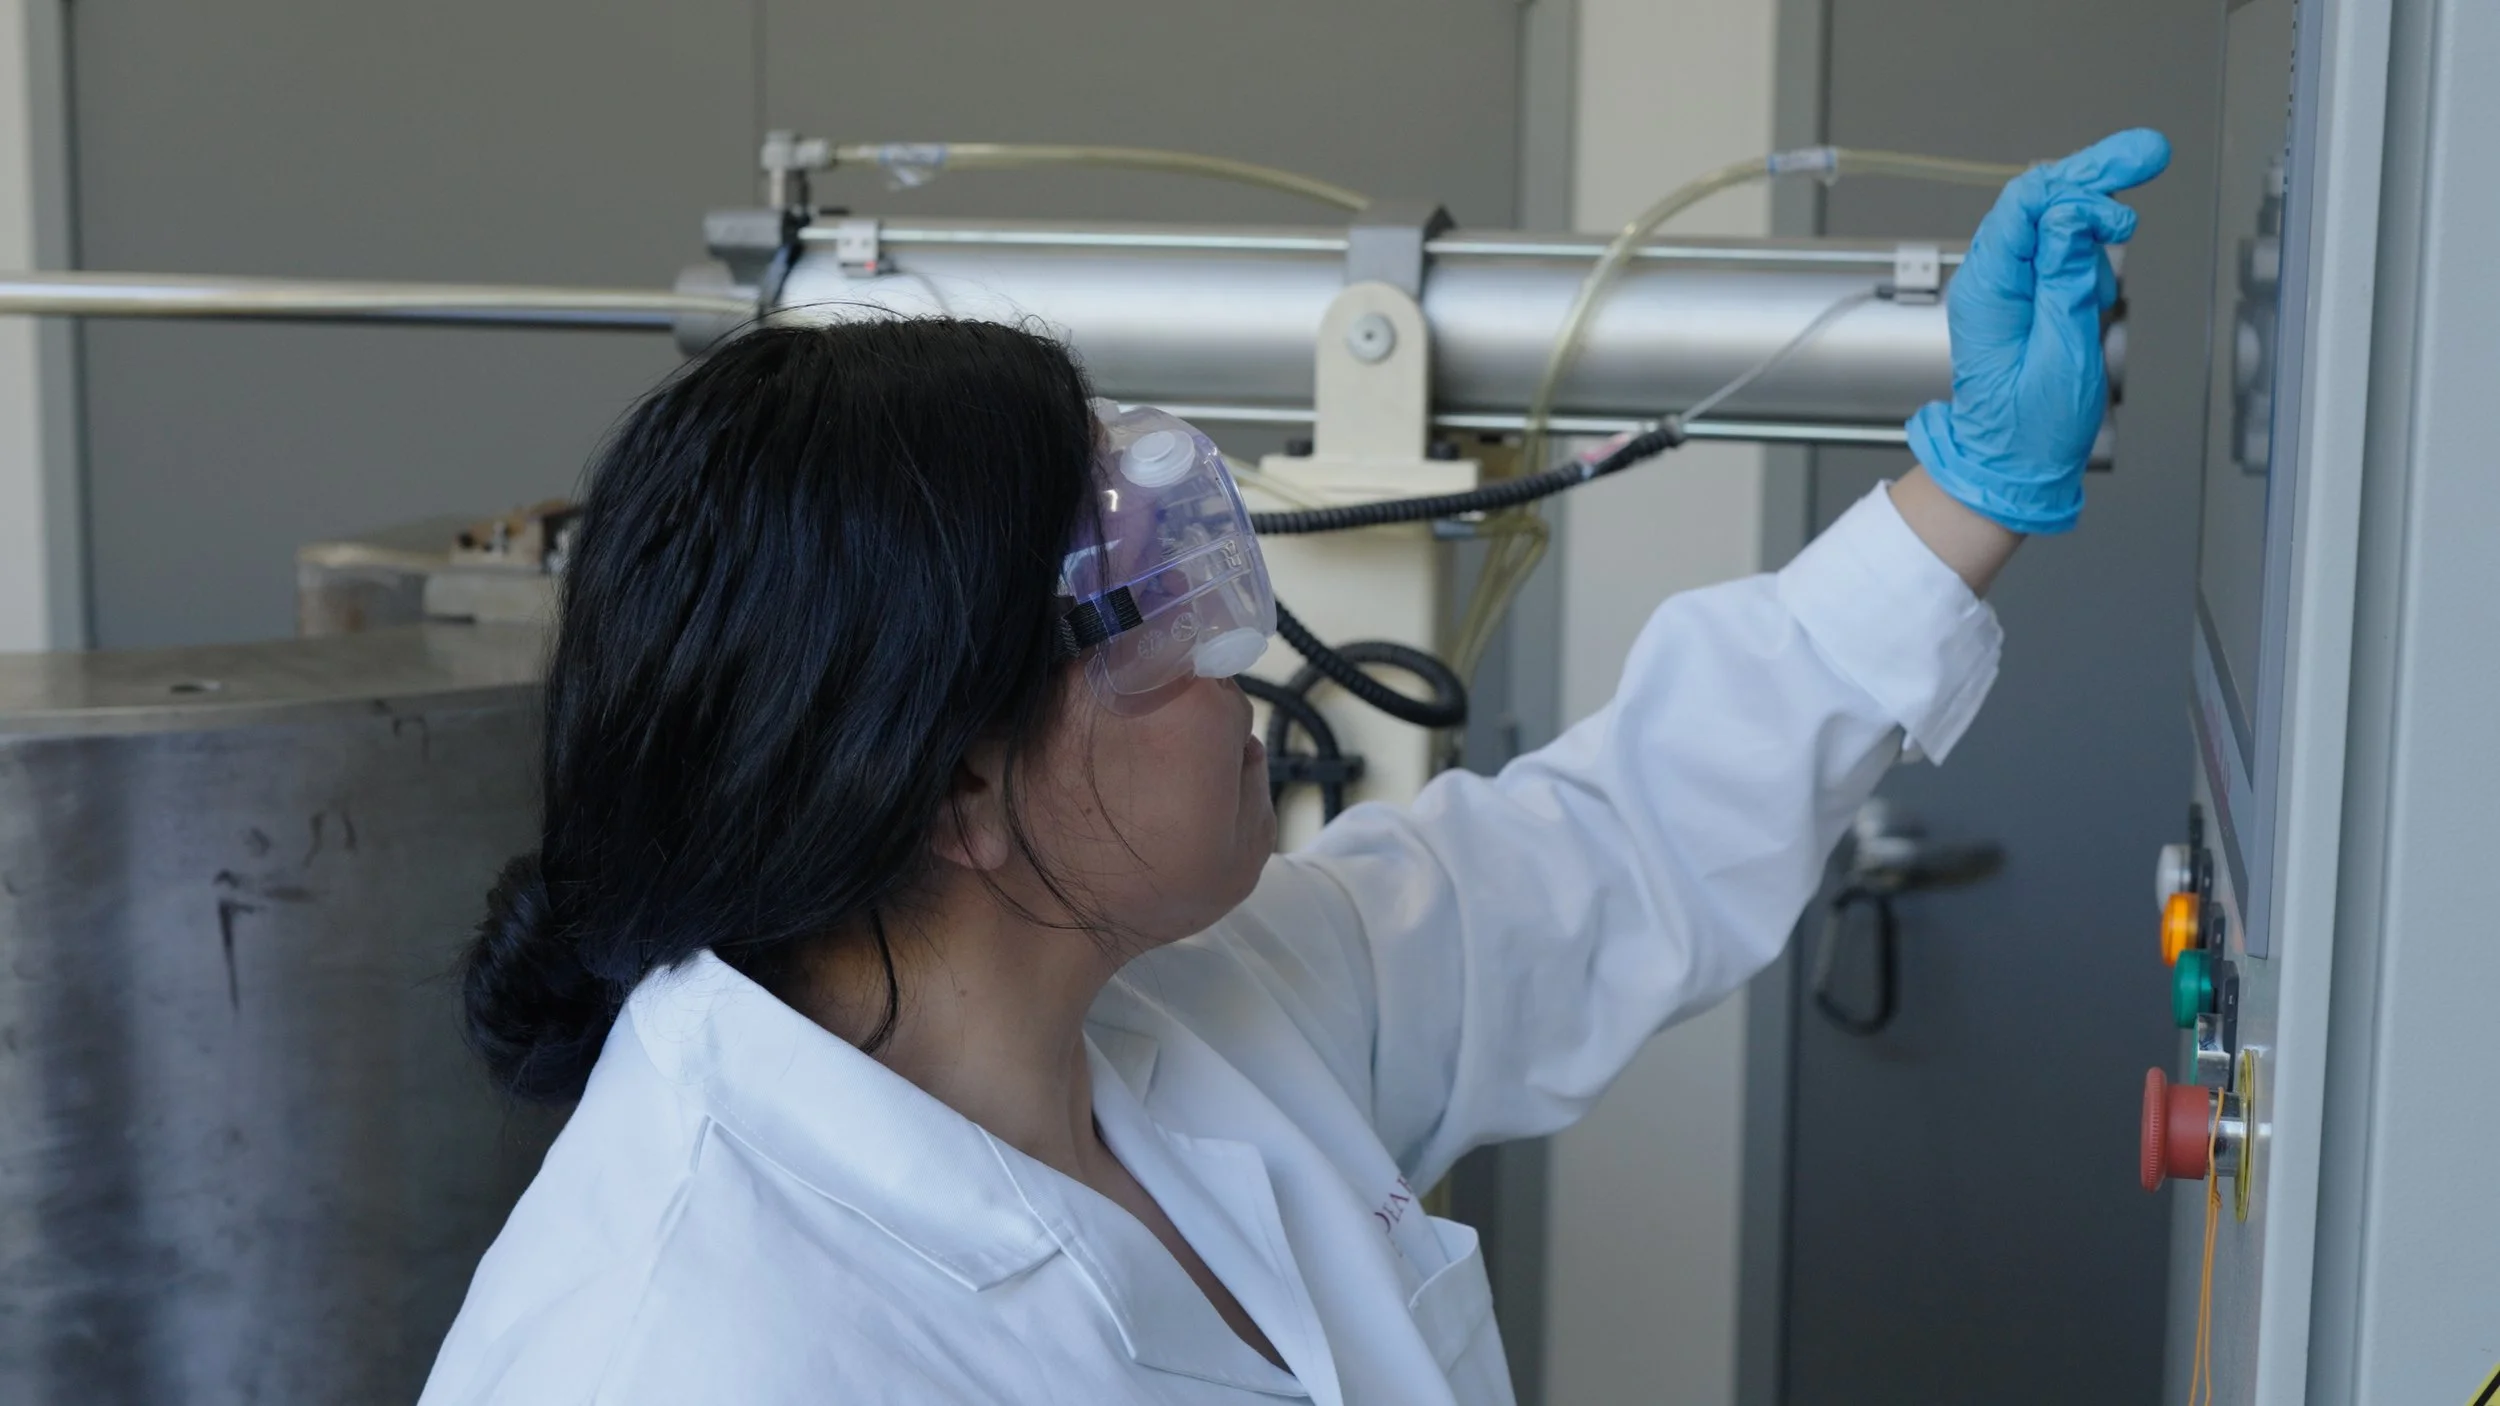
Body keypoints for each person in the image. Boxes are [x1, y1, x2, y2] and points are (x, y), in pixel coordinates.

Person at [419, 129, 2171, 1405]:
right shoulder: (674, 1347)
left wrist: (1965, 494)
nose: (1236, 645)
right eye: (1144, 607)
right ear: (951, 788)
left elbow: (1602, 853)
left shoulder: (1173, 1013)